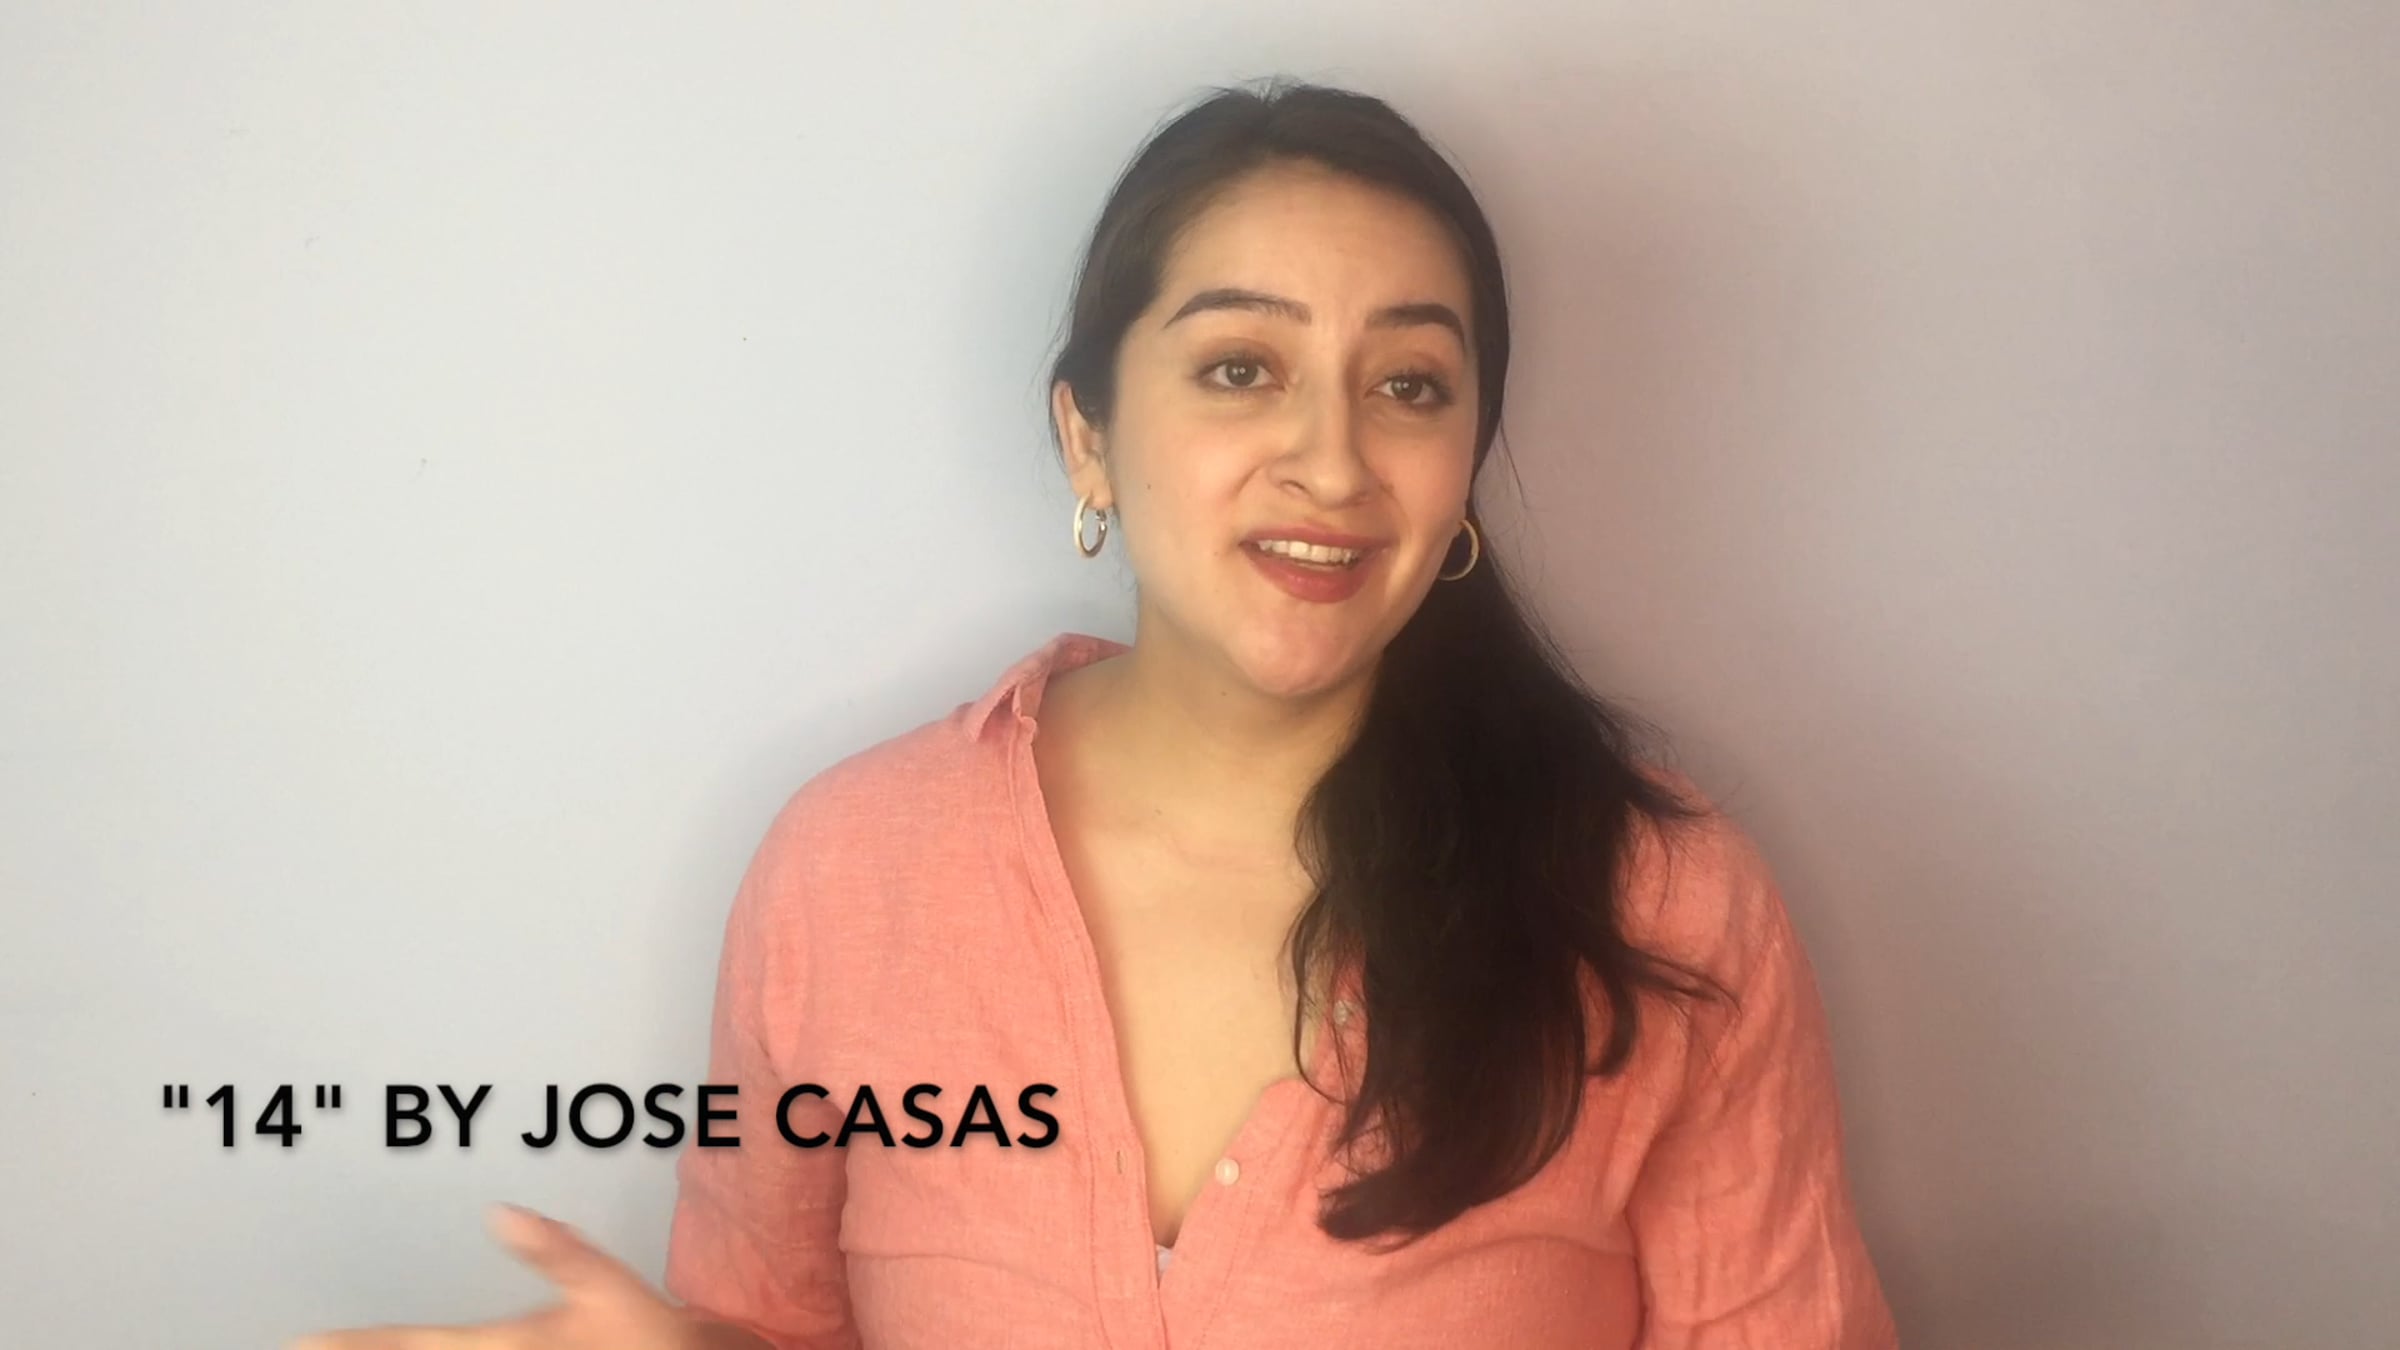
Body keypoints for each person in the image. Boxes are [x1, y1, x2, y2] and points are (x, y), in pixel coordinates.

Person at [291, 76, 1899, 1350]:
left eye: (1409, 384)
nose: (1332, 460)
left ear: (1465, 462)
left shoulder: (1664, 904)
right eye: (1241, 368)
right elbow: (772, 1327)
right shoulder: (845, 874)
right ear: (1086, 436)